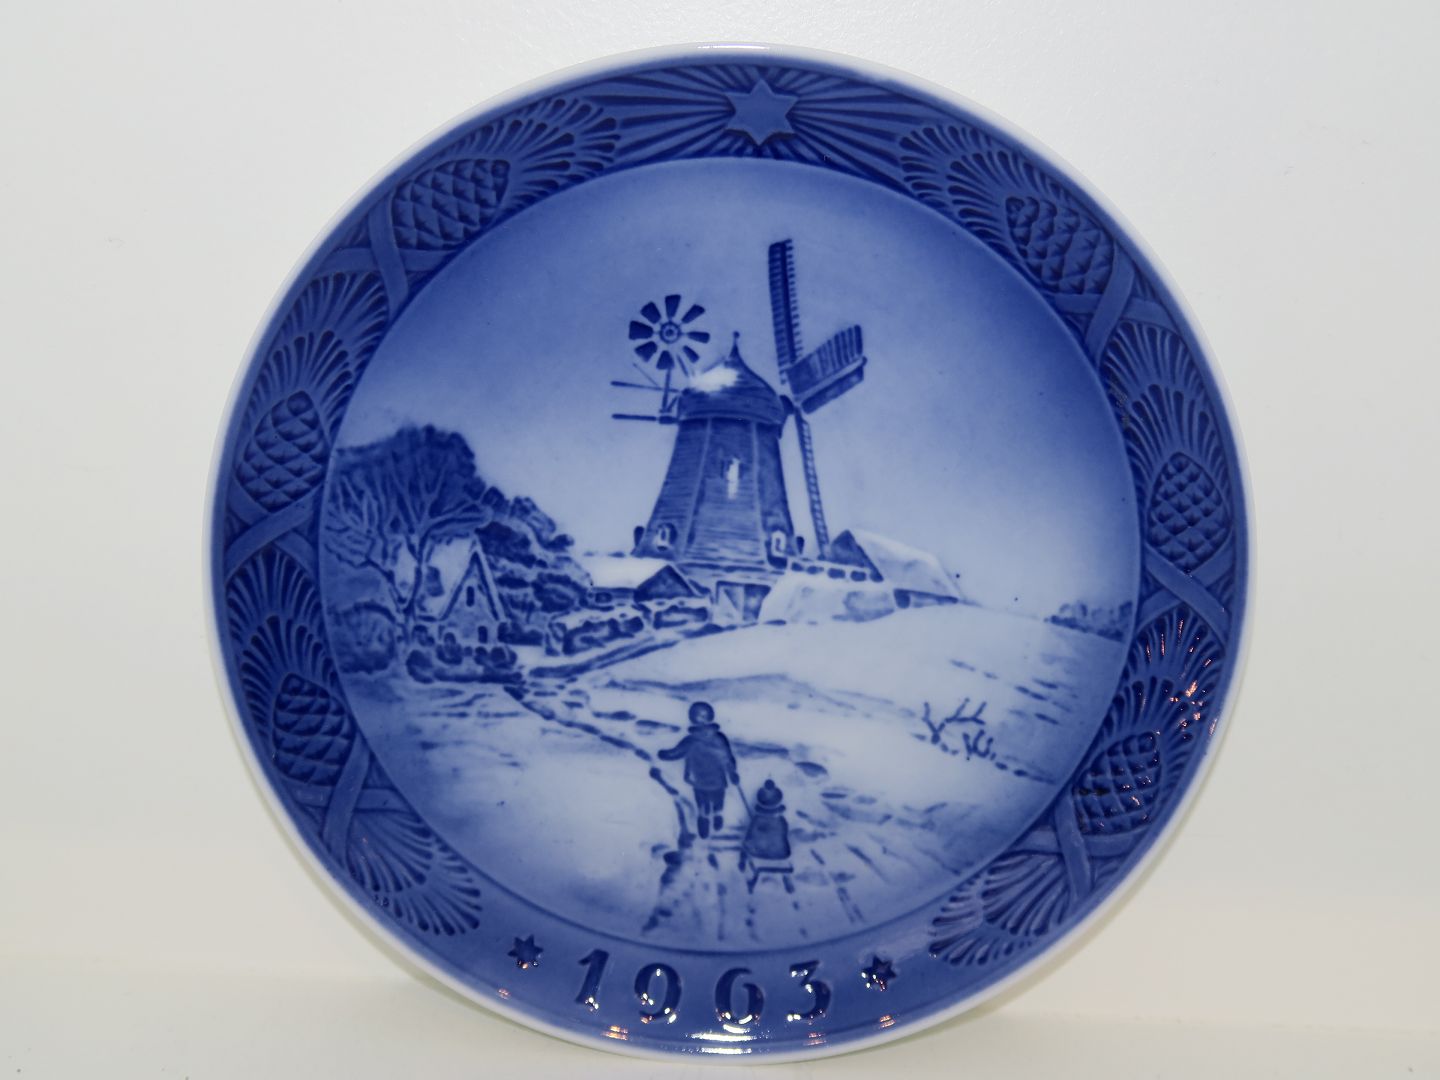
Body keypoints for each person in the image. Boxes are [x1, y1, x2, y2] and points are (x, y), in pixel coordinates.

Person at [658, 701, 740, 838]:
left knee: (702, 802)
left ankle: (704, 820)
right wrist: (732, 774)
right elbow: (728, 758)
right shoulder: (720, 738)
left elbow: (676, 753)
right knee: (718, 799)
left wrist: (663, 754)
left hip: (698, 780)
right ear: (711, 717)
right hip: (718, 780)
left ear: (692, 718)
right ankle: (717, 815)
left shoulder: (690, 740)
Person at [741, 779, 791, 862]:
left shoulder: (757, 820)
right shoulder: (781, 821)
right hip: (780, 853)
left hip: (758, 852)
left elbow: (748, 839)